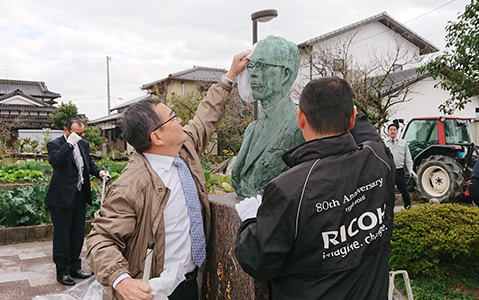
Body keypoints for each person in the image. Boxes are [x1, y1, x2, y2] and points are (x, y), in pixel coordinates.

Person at [86, 51, 249, 300]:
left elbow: (204, 118)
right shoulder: (132, 185)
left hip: (189, 282)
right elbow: (101, 239)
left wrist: (229, 77)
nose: (181, 119)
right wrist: (122, 280)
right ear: (157, 137)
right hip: (155, 291)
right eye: (173, 117)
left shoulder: (183, 152)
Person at [235, 77, 396, 299]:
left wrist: (250, 221)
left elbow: (257, 261)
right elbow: (369, 135)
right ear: (351, 119)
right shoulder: (379, 159)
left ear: (300, 118)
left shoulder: (288, 189)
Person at [231, 35, 304, 197]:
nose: (253, 74)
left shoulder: (301, 124)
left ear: (285, 74)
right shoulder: (251, 129)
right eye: (252, 65)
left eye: (262, 66)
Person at [45, 118, 110, 286]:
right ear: (66, 130)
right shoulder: (55, 144)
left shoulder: (83, 144)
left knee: (77, 235)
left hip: (79, 196)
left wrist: (99, 173)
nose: (79, 137)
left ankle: (75, 267)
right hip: (61, 199)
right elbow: (55, 161)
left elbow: (88, 164)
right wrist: (69, 144)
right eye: (76, 133)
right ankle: (63, 272)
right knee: (62, 237)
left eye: (81, 134)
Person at [384, 123, 416, 208]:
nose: (393, 131)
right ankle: (388, 209)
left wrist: (410, 170)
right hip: (388, 171)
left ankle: (408, 207)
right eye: (391, 130)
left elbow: (408, 158)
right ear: (388, 132)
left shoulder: (403, 143)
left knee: (404, 190)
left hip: (399, 170)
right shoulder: (383, 143)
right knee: (388, 191)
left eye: (394, 130)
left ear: (397, 131)